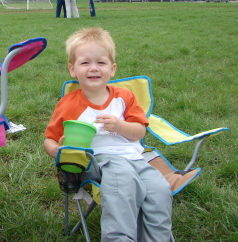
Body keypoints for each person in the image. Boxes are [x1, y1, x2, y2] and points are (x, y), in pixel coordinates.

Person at [44, 27, 173, 242]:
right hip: (98, 161)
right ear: (72, 69)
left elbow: (140, 131)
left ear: (112, 69)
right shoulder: (68, 104)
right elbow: (49, 139)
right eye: (85, 63)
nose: (93, 68)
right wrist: (58, 150)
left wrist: (120, 126)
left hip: (137, 159)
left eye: (101, 63)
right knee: (123, 181)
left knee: (160, 190)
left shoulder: (125, 97)